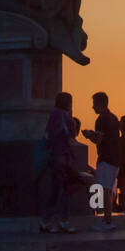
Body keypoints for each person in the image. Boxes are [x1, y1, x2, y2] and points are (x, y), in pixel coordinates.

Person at [43, 91, 86, 233]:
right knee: (68, 188)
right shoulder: (62, 115)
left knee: (55, 190)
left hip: (55, 156)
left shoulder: (53, 115)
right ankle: (64, 220)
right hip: (62, 157)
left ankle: (46, 221)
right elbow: (71, 133)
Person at [83, 92, 121, 231]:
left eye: (94, 104)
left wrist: (88, 136)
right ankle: (107, 219)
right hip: (115, 159)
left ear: (100, 103)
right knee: (108, 190)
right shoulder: (113, 118)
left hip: (106, 158)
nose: (92, 107)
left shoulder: (101, 119)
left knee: (103, 190)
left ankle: (107, 221)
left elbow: (99, 140)